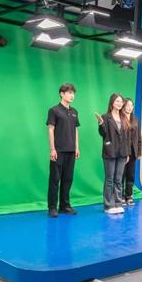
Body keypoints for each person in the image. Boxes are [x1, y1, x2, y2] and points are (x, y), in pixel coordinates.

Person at [46, 83, 80, 218]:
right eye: (69, 93)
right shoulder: (54, 110)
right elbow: (50, 129)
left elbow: (75, 130)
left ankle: (65, 206)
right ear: (62, 93)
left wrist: (77, 147)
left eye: (73, 93)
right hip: (58, 151)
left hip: (71, 151)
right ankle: (52, 207)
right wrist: (52, 149)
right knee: (55, 179)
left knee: (68, 179)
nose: (72, 95)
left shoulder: (74, 111)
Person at [96, 93, 131, 215]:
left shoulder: (124, 117)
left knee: (118, 179)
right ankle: (108, 205)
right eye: (117, 101)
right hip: (110, 152)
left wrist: (127, 153)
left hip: (122, 153)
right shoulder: (105, 117)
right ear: (112, 103)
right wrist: (101, 124)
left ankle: (118, 203)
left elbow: (127, 137)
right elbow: (103, 134)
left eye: (121, 101)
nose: (120, 103)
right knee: (109, 179)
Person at [121, 98, 142, 206]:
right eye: (127, 105)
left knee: (131, 175)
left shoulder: (135, 119)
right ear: (124, 106)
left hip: (133, 152)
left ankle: (129, 196)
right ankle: (120, 197)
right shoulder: (120, 118)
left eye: (131, 105)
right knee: (121, 175)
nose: (129, 108)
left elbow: (138, 136)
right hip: (123, 152)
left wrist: (139, 152)